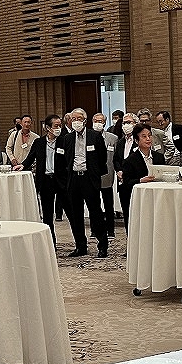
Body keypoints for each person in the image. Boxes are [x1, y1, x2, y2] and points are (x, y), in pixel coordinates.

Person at [58, 108, 109, 258]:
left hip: (89, 179)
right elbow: (64, 159)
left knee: (96, 213)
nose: (76, 122)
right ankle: (80, 246)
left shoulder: (95, 136)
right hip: (74, 179)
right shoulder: (67, 138)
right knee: (76, 215)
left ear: (85, 121)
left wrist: (95, 174)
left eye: (79, 119)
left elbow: (102, 158)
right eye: (73, 119)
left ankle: (102, 246)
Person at [22, 115, 67, 246]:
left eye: (60, 125)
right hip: (45, 181)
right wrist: (22, 166)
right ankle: (51, 243)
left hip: (61, 181)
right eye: (56, 126)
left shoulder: (64, 141)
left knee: (71, 212)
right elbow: (30, 158)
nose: (58, 128)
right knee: (47, 215)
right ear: (48, 128)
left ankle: (80, 244)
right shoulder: (39, 142)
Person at [119, 124, 165, 236]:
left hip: (156, 198)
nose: (148, 139)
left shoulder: (159, 157)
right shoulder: (130, 160)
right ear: (136, 140)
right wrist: (140, 180)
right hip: (138, 199)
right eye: (144, 136)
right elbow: (126, 182)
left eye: (149, 135)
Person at [94, 112, 118, 238]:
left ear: (104, 123)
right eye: (96, 121)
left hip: (108, 175)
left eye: (100, 121)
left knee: (108, 204)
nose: (98, 123)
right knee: (94, 204)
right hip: (93, 175)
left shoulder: (113, 138)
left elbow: (116, 157)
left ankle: (110, 229)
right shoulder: (89, 136)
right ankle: (95, 229)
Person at [112, 113, 138, 225]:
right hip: (122, 183)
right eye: (124, 123)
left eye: (129, 122)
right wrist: (118, 171)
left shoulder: (139, 141)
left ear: (135, 124)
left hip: (135, 181)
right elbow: (116, 159)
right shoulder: (120, 141)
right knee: (126, 213)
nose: (126, 125)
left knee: (136, 214)